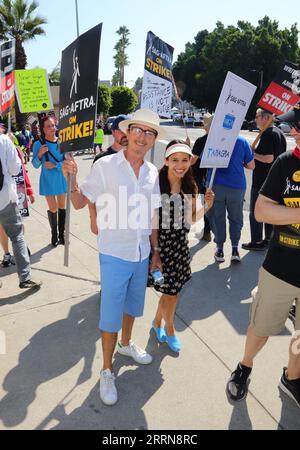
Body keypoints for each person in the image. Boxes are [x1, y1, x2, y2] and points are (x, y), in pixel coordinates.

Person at [62, 108, 165, 406]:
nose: (143, 137)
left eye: (150, 133)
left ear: (154, 140)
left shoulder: (151, 172)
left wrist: (155, 251)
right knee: (110, 313)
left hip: (141, 253)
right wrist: (72, 178)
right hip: (114, 253)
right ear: (125, 133)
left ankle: (126, 344)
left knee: (133, 306)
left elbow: (154, 214)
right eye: (138, 131)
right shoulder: (105, 166)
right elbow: (80, 202)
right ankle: (106, 370)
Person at [226, 102, 300, 408]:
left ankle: (292, 380)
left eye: (297, 126)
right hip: (280, 267)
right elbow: (260, 210)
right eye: (295, 126)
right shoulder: (286, 163)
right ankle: (245, 366)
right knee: (262, 326)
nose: (293, 131)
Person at [150, 140, 214, 352]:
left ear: (190, 162)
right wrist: (156, 253)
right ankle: (169, 330)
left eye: (185, 160)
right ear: (166, 161)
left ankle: (156, 322)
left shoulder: (190, 185)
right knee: (171, 293)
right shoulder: (156, 184)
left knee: (171, 292)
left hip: (180, 247)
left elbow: (191, 219)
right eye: (175, 160)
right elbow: (152, 223)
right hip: (160, 247)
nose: (180, 164)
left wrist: (206, 206)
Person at [0, 132, 41, 290]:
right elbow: (16, 168)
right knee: (17, 236)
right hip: (4, 197)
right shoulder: (3, 140)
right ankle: (25, 277)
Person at [242, 108, 286, 251]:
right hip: (275, 180)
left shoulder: (268, 134)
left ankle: (256, 241)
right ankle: (268, 239)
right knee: (270, 212)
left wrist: (252, 154)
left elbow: (268, 158)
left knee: (256, 211)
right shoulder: (279, 133)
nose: (255, 119)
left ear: (265, 118)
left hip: (262, 181)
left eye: (257, 116)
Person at [207, 136, 255, 263]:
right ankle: (235, 249)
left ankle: (220, 249)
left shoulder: (214, 139)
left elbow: (205, 160)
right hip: (237, 185)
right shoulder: (242, 141)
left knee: (218, 217)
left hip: (216, 184)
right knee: (236, 218)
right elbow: (251, 165)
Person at [32, 116, 67, 247]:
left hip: (61, 178)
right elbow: (35, 165)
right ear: (43, 129)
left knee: (62, 207)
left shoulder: (63, 141)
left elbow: (68, 162)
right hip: (47, 181)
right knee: (53, 208)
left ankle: (62, 234)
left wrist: (55, 166)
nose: (52, 128)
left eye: (53, 125)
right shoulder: (38, 144)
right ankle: (54, 234)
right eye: (48, 126)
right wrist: (40, 154)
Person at [191, 113, 214, 242]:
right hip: (212, 176)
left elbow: (193, 160)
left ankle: (205, 230)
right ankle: (208, 231)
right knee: (208, 203)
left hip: (199, 176)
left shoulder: (201, 141)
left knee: (201, 204)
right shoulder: (218, 141)